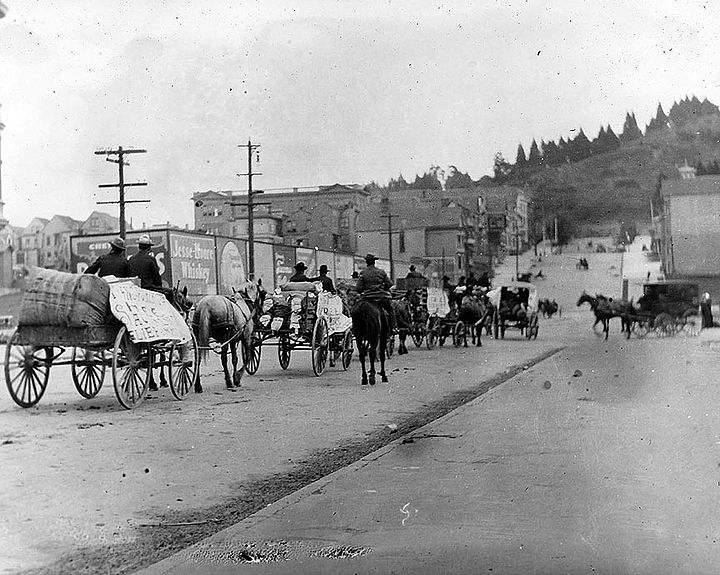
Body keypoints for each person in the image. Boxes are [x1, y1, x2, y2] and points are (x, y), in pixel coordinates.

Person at [356, 253, 394, 331]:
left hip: (367, 298)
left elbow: (358, 288)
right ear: (374, 262)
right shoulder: (381, 272)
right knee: (390, 309)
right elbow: (390, 283)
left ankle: (356, 327)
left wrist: (364, 290)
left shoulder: (363, 273)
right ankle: (393, 327)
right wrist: (384, 288)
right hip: (381, 298)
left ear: (366, 262)